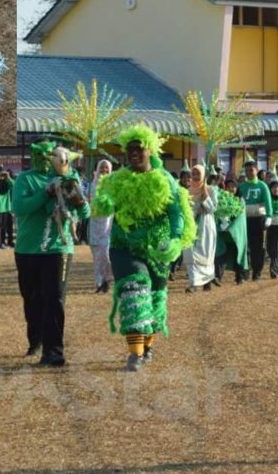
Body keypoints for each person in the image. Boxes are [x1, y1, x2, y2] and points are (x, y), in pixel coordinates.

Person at [94, 125, 194, 372]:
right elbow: (101, 209)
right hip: (124, 247)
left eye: (139, 149)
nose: (134, 154)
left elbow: (176, 212)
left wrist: (174, 239)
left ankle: (148, 345)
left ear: (150, 150)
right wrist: (102, 202)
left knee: (156, 297)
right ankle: (135, 353)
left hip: (157, 250)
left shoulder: (165, 180)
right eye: (130, 150)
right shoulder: (116, 180)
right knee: (134, 290)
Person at [13, 142, 90, 366]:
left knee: (54, 298)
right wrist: (45, 193)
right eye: (41, 155)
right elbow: (19, 207)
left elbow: (85, 211)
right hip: (27, 249)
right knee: (32, 298)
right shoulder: (25, 179)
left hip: (58, 249)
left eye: (52, 155)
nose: (47, 159)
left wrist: (79, 201)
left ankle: (54, 352)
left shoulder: (70, 178)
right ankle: (35, 340)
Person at [183, 164, 218, 292]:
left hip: (205, 225)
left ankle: (207, 279)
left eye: (198, 174)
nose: (196, 176)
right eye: (194, 174)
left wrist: (205, 196)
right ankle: (194, 283)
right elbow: (185, 208)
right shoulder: (187, 191)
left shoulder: (211, 190)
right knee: (190, 252)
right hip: (191, 224)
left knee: (205, 252)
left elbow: (213, 208)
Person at [238, 155, 272, 281]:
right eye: (246, 171)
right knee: (245, 246)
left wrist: (269, 216)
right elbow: (237, 203)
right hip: (245, 220)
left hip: (259, 219)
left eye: (251, 170)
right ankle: (244, 272)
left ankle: (257, 272)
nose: (249, 173)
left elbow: (268, 202)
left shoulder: (263, 186)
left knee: (258, 247)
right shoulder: (242, 186)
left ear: (256, 170)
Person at [214, 179, 249, 285]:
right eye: (229, 187)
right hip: (224, 233)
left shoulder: (241, 200)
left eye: (233, 187)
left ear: (237, 188)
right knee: (221, 253)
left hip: (236, 234)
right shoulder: (222, 199)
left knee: (237, 254)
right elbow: (217, 212)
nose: (231, 189)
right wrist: (221, 222)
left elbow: (240, 218)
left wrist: (231, 227)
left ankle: (240, 277)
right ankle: (217, 277)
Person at [88, 160, 114, 293]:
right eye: (102, 168)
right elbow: (91, 201)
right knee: (96, 254)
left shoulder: (113, 184)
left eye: (106, 168)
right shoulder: (93, 183)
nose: (104, 171)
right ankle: (99, 282)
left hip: (108, 224)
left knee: (106, 253)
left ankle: (107, 279)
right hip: (94, 222)